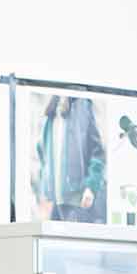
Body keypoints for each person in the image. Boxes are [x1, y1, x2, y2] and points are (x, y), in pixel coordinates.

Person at [32, 95, 106, 223]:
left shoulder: (82, 104)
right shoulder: (51, 112)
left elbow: (98, 152)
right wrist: (44, 192)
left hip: (78, 201)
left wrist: (91, 187)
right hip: (54, 203)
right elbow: (42, 153)